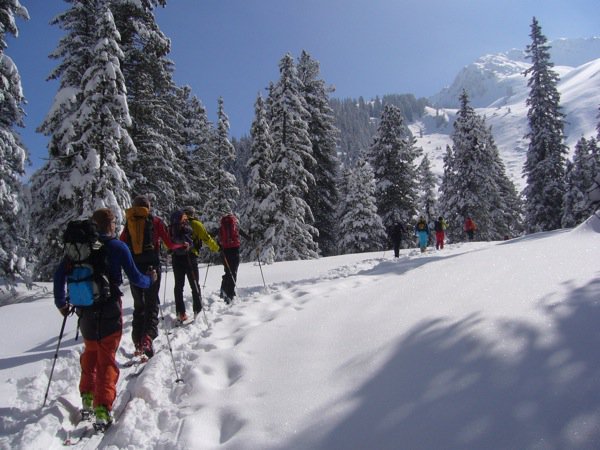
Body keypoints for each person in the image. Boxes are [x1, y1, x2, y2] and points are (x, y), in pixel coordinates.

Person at [54, 208, 156, 429]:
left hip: (85, 310)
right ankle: (103, 407)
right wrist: (151, 280)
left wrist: (62, 304)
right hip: (109, 309)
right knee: (107, 356)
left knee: (91, 352)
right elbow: (137, 278)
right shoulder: (116, 247)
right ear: (110, 223)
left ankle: (87, 399)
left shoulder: (80, 248)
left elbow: (58, 275)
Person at [120, 195, 184, 358]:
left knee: (139, 305)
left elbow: (122, 243)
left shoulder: (130, 223)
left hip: (134, 268)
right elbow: (169, 243)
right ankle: (148, 337)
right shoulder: (155, 221)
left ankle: (137, 342)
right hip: (152, 267)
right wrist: (181, 245)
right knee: (152, 303)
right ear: (148, 207)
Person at [170, 208, 220, 322]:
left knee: (178, 286)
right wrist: (216, 248)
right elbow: (206, 238)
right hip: (190, 257)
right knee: (194, 285)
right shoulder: (196, 224)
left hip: (176, 257)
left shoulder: (174, 225)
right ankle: (198, 311)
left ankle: (180, 313)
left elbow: (168, 241)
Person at [218, 213, 250, 304]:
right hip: (234, 251)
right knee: (233, 272)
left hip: (224, 251)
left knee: (227, 271)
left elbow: (214, 235)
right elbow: (246, 236)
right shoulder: (235, 226)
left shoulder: (221, 228)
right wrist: (250, 238)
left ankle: (223, 290)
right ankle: (230, 295)